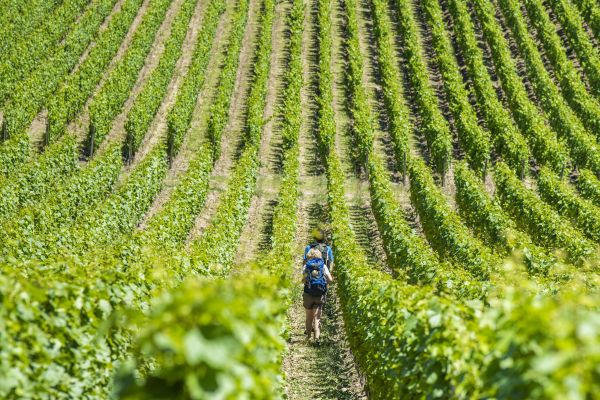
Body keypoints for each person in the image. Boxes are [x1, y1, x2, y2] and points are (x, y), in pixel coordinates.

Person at [302, 247, 333, 345]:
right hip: (320, 294)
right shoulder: (323, 266)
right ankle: (316, 339)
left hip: (308, 293)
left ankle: (307, 338)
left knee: (308, 317)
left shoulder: (306, 266)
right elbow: (330, 280)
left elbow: (303, 281)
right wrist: (323, 284)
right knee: (317, 318)